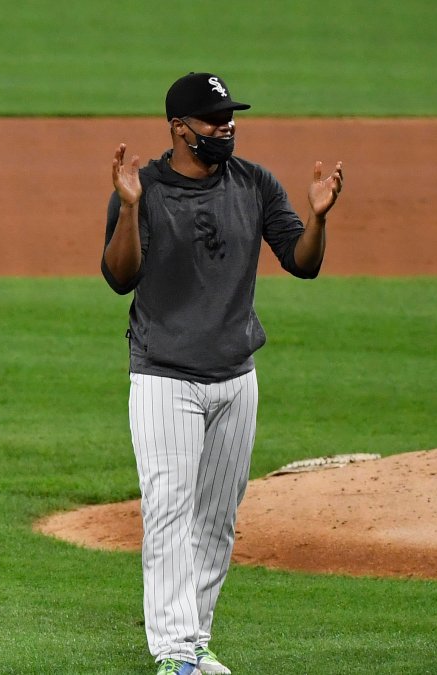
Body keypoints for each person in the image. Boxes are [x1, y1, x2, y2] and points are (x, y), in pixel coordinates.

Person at [102, 72, 344, 675]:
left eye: (229, 115)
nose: (226, 126)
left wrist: (318, 219)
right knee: (167, 511)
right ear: (179, 127)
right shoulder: (144, 188)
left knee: (215, 520)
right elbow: (118, 276)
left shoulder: (254, 182)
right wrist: (129, 210)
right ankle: (173, 651)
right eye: (213, 118)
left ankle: (194, 641)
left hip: (237, 378)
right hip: (164, 378)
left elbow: (301, 262)